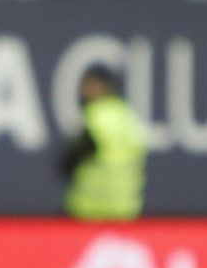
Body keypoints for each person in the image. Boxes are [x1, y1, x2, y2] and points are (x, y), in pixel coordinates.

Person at [60, 66, 146, 221]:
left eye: (90, 85)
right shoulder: (126, 116)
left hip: (92, 210)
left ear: (104, 87)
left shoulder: (97, 116)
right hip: (126, 209)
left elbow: (72, 158)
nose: (84, 90)